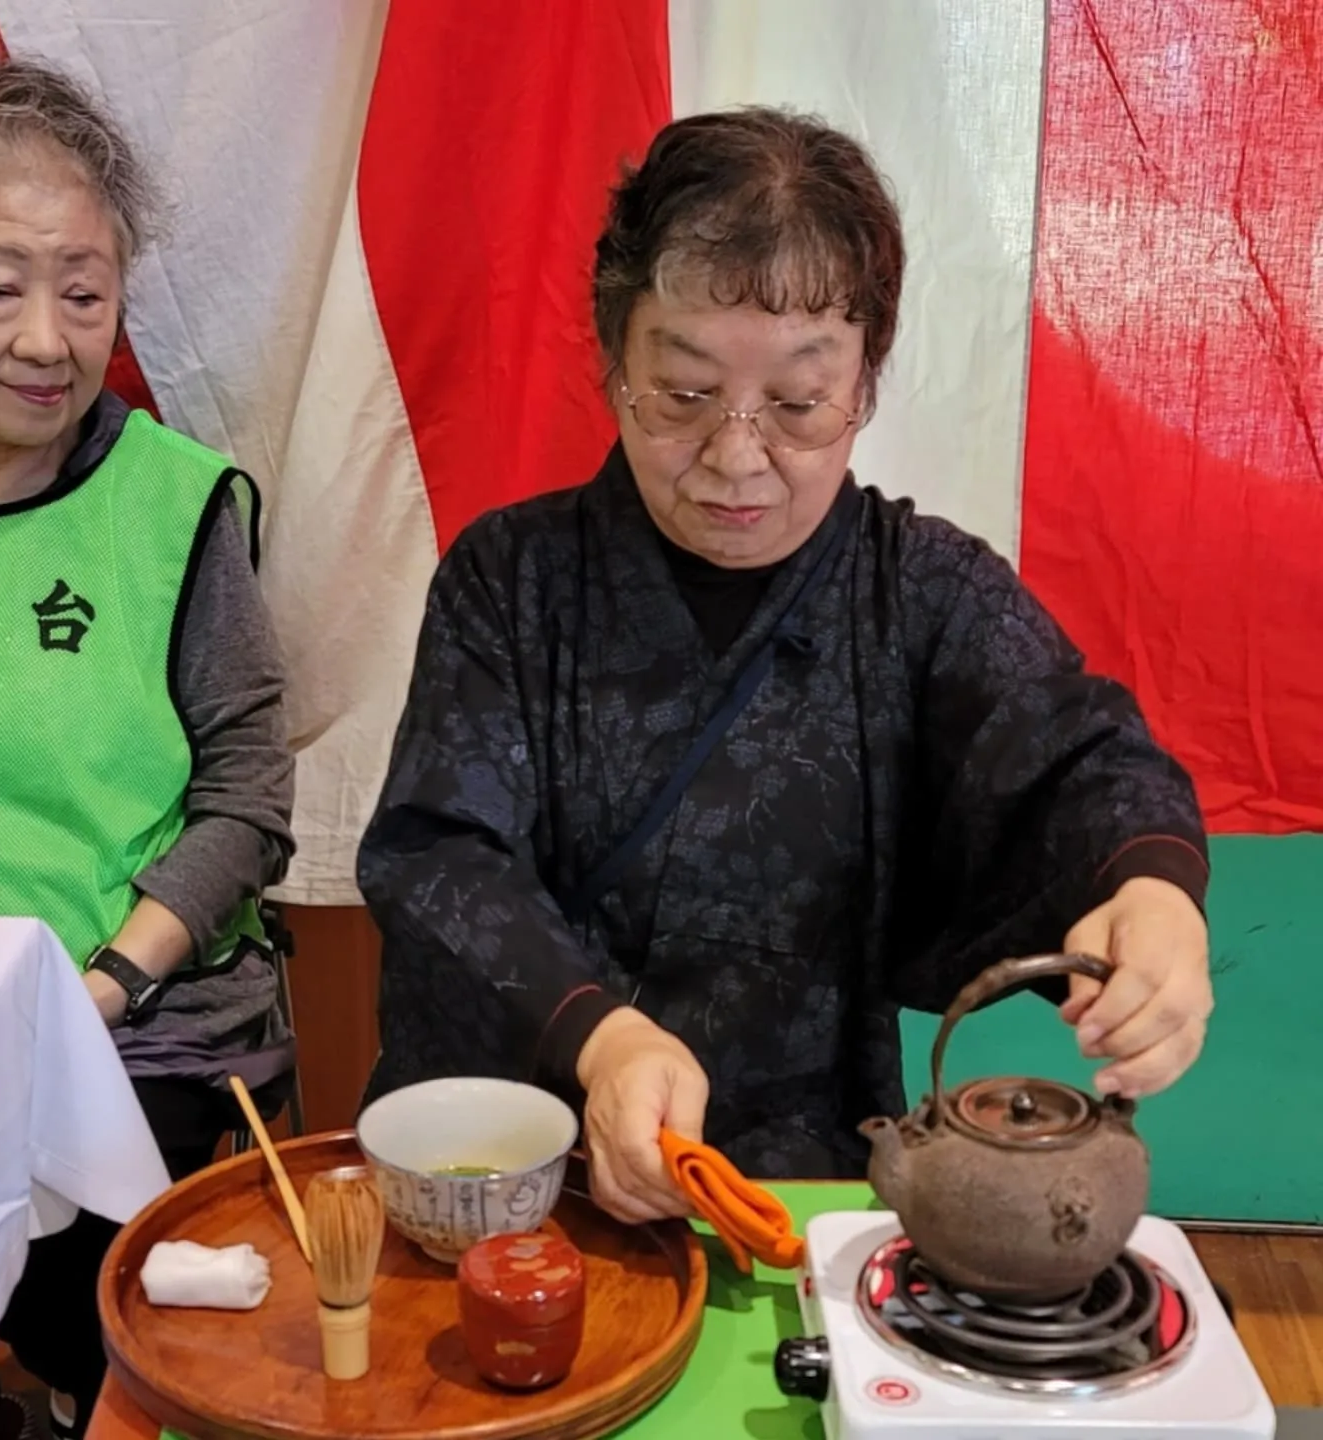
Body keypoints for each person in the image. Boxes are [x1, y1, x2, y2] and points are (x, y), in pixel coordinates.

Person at [356, 107, 1212, 1229]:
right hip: (520, 1161)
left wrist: (1155, 896)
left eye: (801, 404)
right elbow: (442, 858)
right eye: (686, 393)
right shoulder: (509, 579)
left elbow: (1078, 754)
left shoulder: (922, 590)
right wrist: (602, 1037)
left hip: (794, 1187)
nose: (738, 454)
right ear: (615, 360)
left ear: (863, 383)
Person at [0, 47, 295, 1440]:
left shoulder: (175, 506)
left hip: (143, 1043)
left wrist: (103, 985)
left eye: (85, 290)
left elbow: (249, 799)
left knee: (165, 1374)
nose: (50, 338)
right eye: (1, 288)